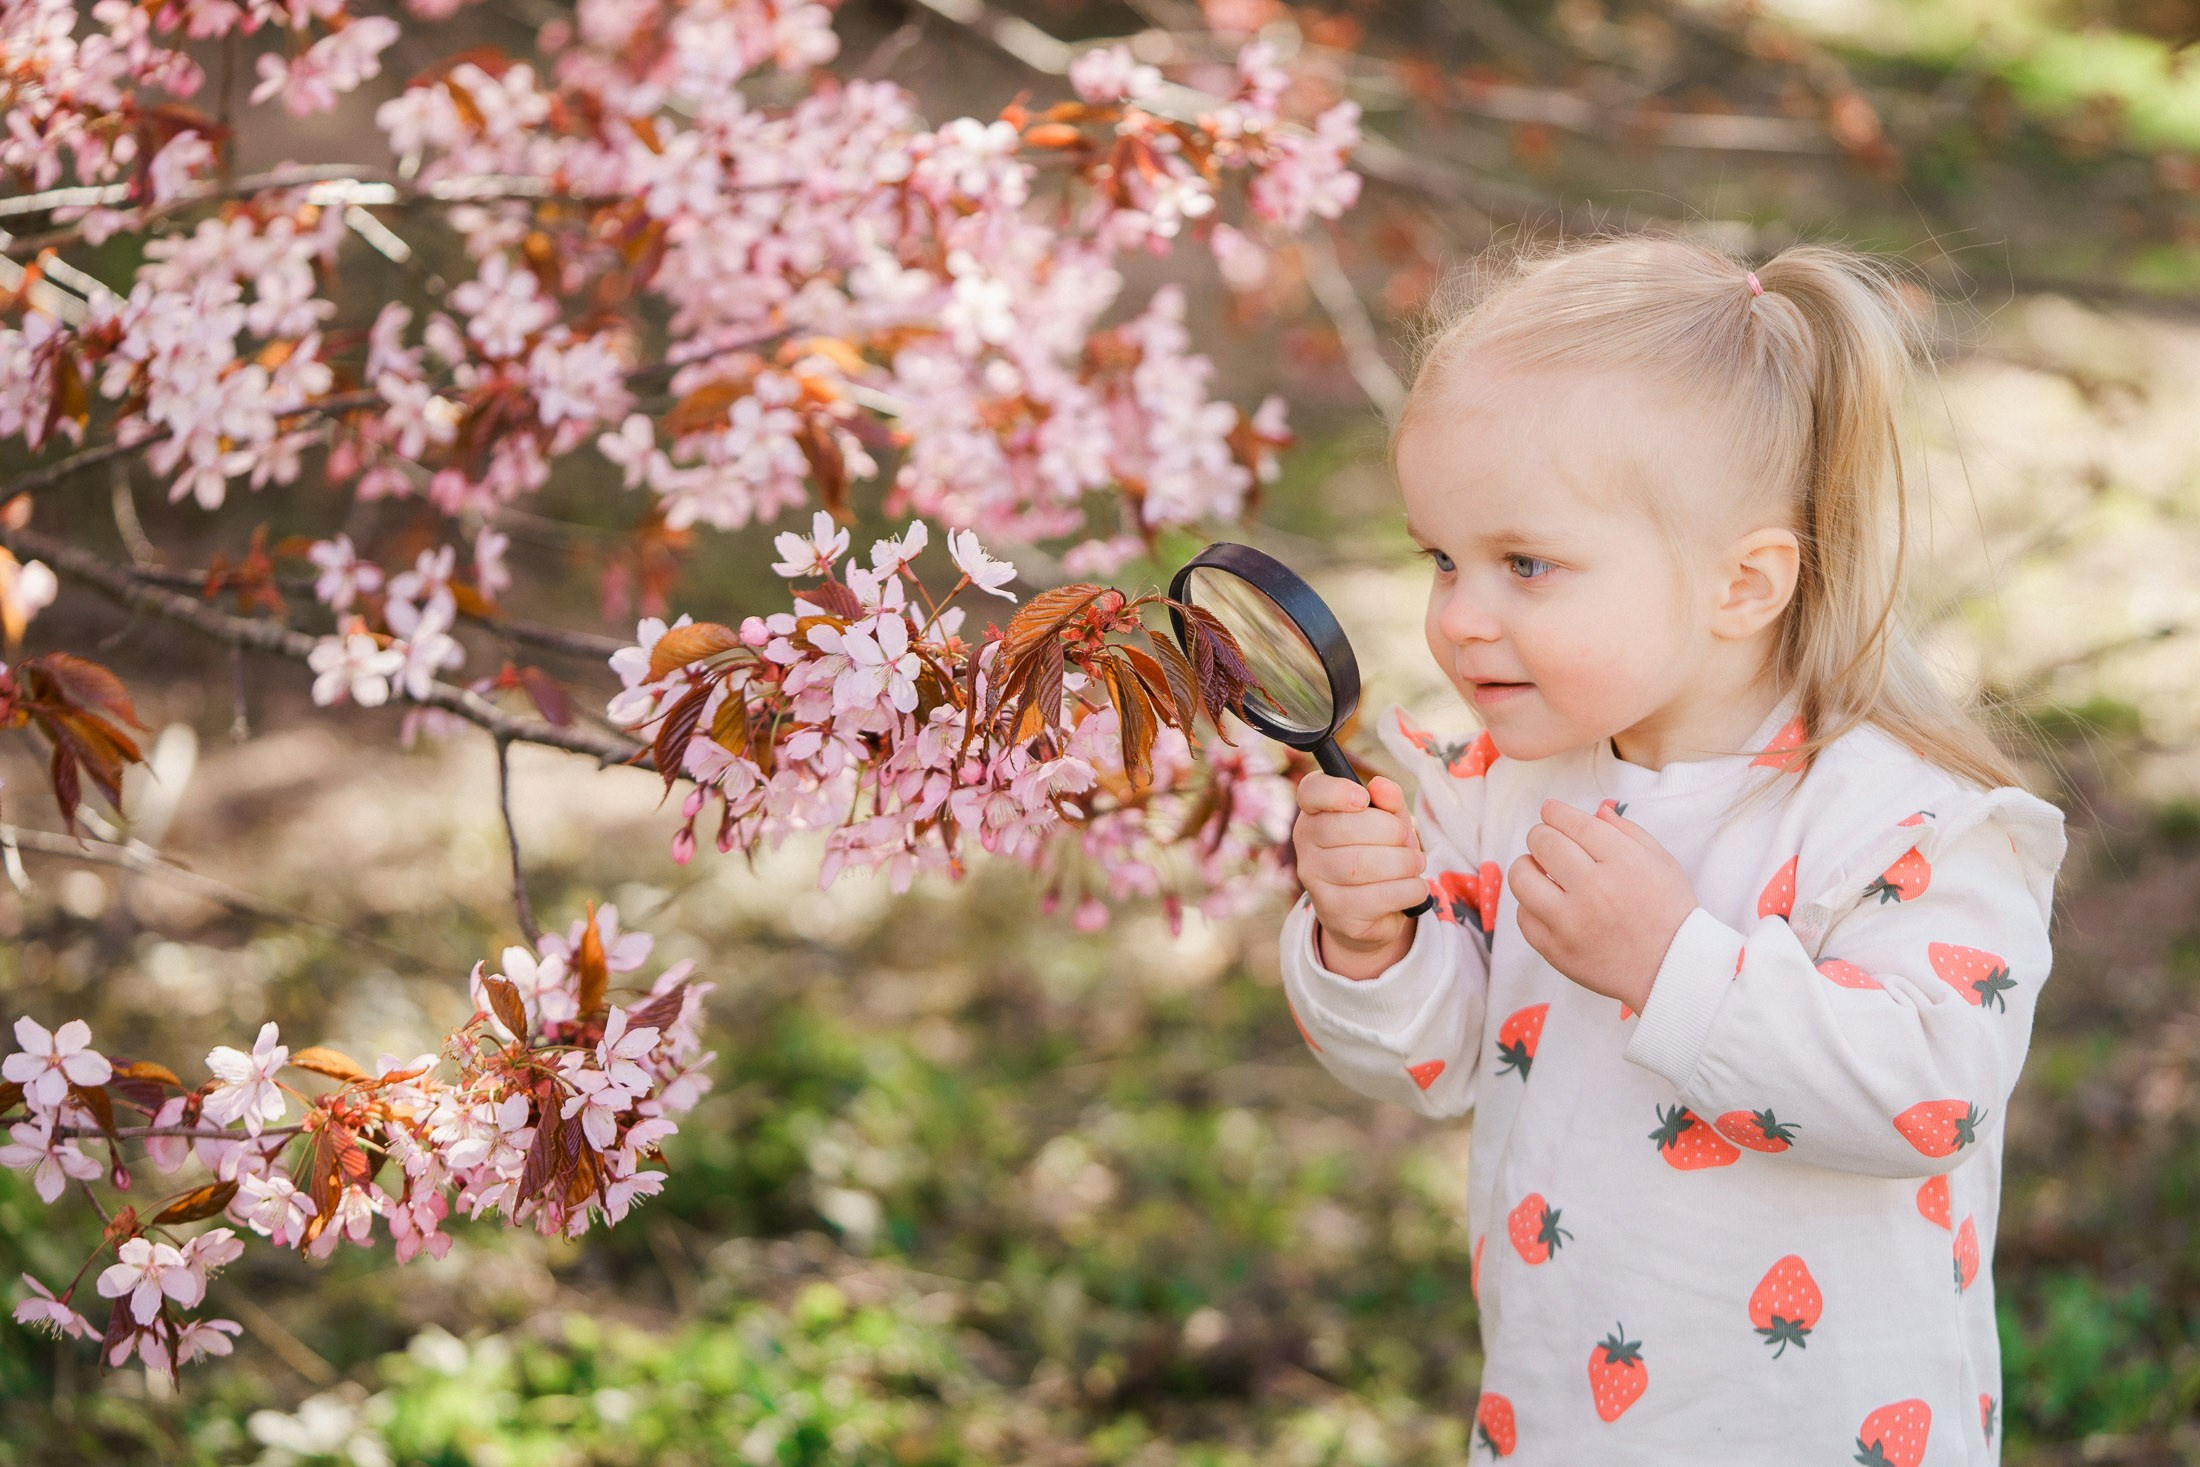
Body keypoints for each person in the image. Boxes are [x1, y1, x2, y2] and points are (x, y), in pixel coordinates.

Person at [1280, 234, 2068, 1464]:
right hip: (1563, 1413)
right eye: (1441, 559)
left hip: (1826, 1430)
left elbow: (1932, 1095)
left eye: (1526, 564)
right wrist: (1368, 941)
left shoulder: (1902, 822)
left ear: (1741, 584)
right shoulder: (1500, 789)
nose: (1460, 618)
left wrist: (1672, 968)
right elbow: (1429, 1062)